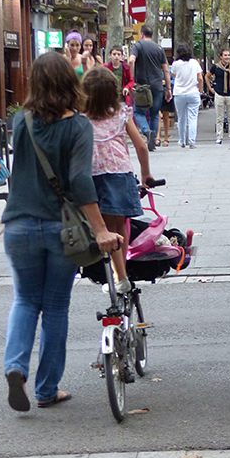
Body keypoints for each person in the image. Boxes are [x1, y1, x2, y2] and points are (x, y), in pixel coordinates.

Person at [2, 52, 122, 412]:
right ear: (71, 81)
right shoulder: (79, 126)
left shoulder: (21, 122)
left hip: (18, 224)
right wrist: (100, 230)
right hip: (62, 230)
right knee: (55, 306)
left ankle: (15, 367)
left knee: (25, 300)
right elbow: (81, 181)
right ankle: (46, 389)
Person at [82, 66, 154, 293]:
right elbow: (141, 146)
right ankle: (120, 275)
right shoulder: (121, 114)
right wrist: (146, 175)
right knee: (121, 224)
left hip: (93, 175)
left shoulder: (81, 119)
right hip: (121, 173)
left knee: (102, 226)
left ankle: (111, 274)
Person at [128, 24, 172, 151]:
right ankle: (152, 142)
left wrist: (132, 79)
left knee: (139, 112)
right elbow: (166, 69)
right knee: (154, 114)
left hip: (142, 85)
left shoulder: (138, 45)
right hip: (158, 85)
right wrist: (168, 88)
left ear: (141, 34)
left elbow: (131, 60)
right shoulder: (159, 48)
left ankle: (147, 132)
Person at [171, 42, 204, 148]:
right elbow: (200, 78)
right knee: (193, 117)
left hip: (179, 93)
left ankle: (181, 141)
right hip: (193, 92)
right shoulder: (194, 63)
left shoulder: (175, 64)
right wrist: (201, 89)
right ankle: (192, 141)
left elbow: (173, 75)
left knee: (181, 118)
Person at [206, 49, 230, 145]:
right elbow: (207, 76)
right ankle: (219, 137)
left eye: (228, 55)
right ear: (221, 56)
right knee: (219, 117)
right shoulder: (216, 67)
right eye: (225, 55)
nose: (227, 57)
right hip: (219, 93)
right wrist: (210, 88)